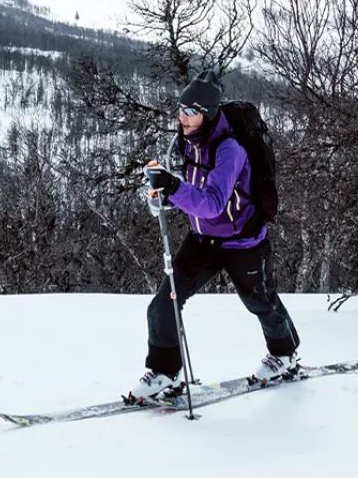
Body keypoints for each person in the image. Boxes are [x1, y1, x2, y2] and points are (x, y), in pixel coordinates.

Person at [128, 71, 300, 401]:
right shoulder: (185, 141)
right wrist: (163, 198)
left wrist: (174, 187)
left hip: (242, 239)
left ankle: (284, 355)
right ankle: (165, 373)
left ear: (207, 114)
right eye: (180, 109)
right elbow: (191, 191)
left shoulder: (230, 150)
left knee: (260, 302)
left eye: (190, 111)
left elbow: (213, 203)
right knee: (163, 304)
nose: (182, 117)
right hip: (203, 239)